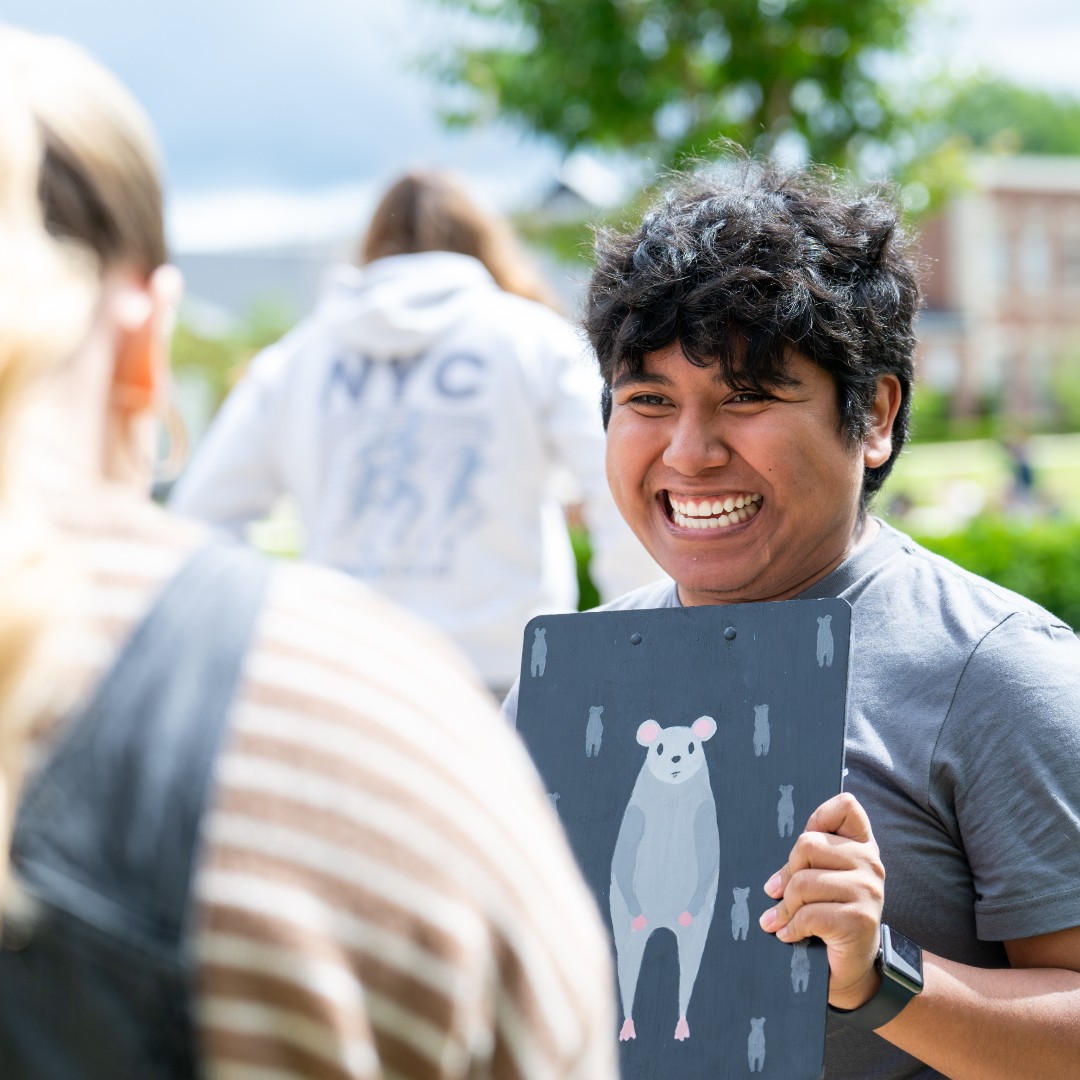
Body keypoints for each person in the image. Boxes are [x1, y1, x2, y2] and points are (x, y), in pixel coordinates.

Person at [0, 25, 618, 1078]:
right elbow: (620, 503)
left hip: (220, 716)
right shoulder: (532, 343)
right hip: (453, 728)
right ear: (144, 338)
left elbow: (204, 515)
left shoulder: (301, 359)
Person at [506, 156, 1080, 1079]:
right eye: (648, 400)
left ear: (874, 414)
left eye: (748, 396)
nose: (690, 453)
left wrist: (878, 975)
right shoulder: (573, 680)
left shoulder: (1000, 673)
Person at [169, 169, 662, 698]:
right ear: (485, 243)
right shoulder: (532, 341)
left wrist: (267, 653)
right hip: (508, 685)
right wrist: (637, 651)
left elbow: (198, 524)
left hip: (346, 683)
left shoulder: (297, 359)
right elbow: (622, 487)